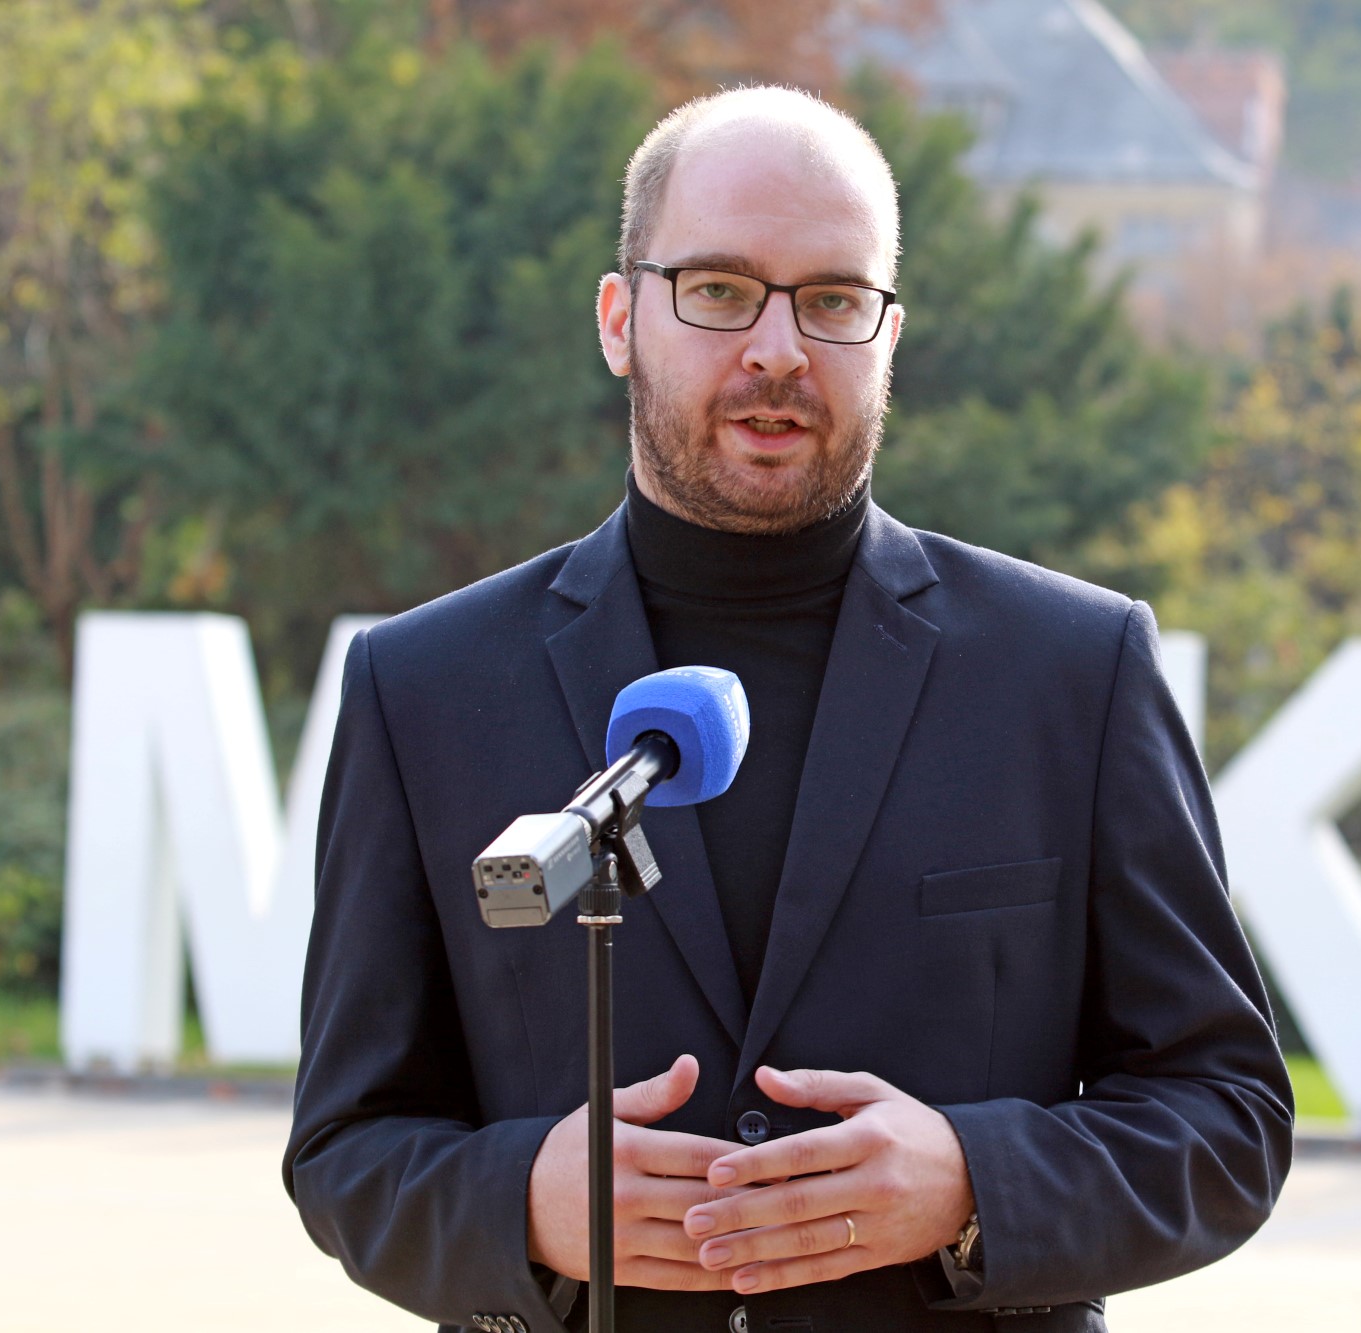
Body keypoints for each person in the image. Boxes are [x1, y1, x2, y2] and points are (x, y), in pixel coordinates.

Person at [284, 85, 1293, 1333]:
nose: (777, 348)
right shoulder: (421, 686)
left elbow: (1226, 1115)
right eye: (717, 290)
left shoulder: (1075, 670)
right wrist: (522, 1208)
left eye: (831, 299)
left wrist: (971, 1186)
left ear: (887, 336)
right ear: (619, 319)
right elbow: (345, 1147)